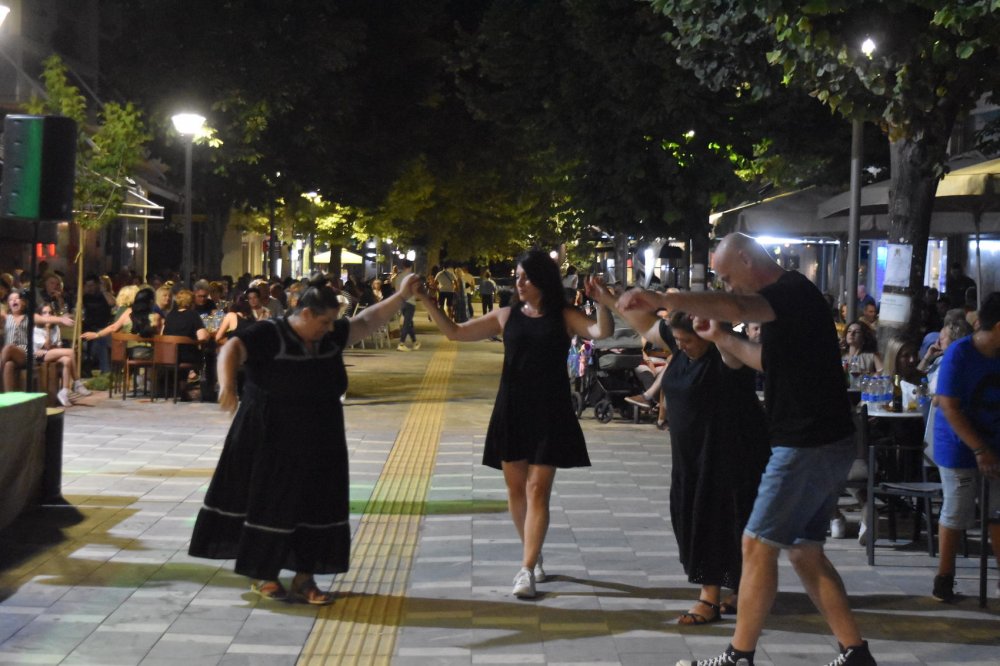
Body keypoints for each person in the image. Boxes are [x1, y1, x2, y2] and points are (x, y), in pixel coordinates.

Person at [619, 233, 875, 666]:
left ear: (745, 257)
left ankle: (739, 656)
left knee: (757, 545)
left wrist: (663, 298)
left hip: (805, 443)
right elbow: (762, 360)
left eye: (725, 275)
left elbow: (737, 308)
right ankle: (855, 652)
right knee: (804, 551)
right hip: (824, 441)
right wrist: (719, 336)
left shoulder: (787, 292)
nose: (726, 285)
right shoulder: (785, 302)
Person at [188, 272, 422, 604]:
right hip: (272, 435)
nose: (331, 329)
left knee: (317, 502)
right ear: (307, 314)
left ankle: (305, 577)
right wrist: (227, 385)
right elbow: (233, 350)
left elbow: (367, 321)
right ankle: (264, 575)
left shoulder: (327, 335)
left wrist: (401, 296)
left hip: (321, 433)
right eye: (325, 322)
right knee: (272, 501)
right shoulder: (271, 333)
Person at [416, 249, 617, 599]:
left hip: (550, 408)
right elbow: (455, 333)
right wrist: (428, 302)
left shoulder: (564, 315)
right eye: (517, 276)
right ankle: (533, 553)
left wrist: (602, 301)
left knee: (538, 489)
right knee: (516, 489)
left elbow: (601, 331)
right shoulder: (507, 315)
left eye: (526, 277)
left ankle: (525, 570)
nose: (519, 282)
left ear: (542, 280)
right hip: (512, 407)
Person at [617, 306, 770, 625]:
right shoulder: (681, 347)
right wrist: (614, 299)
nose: (681, 345)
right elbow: (646, 325)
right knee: (689, 519)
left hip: (730, 458)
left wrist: (717, 328)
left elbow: (730, 345)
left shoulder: (728, 353)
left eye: (688, 339)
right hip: (689, 459)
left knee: (719, 523)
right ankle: (739, 590)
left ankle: (710, 598)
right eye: (678, 339)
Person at [930, 291, 1000, 603]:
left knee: (997, 510)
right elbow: (950, 407)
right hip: (958, 445)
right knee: (957, 509)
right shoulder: (960, 353)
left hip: (994, 440)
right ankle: (944, 578)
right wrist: (979, 449)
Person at [1, 292, 86, 404]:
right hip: (9, 357)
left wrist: (60, 319)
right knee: (8, 365)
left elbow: (46, 319)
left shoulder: (29, 317)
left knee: (8, 347)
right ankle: (9, 400)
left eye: (17, 298)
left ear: (23, 303)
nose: (14, 301)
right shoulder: (6, 317)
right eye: (11, 299)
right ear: (8, 303)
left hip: (25, 353)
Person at [393, 259, 419, 351]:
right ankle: (401, 343)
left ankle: (415, 341)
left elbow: (396, 290)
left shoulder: (398, 277)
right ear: (411, 266)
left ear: (403, 266)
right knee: (407, 323)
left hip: (401, 302)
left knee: (409, 322)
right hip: (410, 302)